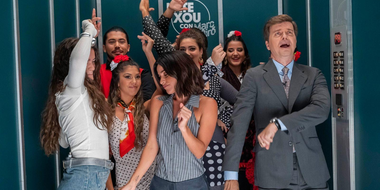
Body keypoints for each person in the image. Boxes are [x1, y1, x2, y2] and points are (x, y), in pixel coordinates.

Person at [223, 14, 330, 190]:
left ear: (295, 41)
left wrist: (278, 123)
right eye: (278, 33)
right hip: (271, 171)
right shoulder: (254, 77)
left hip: (312, 170)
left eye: (289, 33)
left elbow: (321, 110)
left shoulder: (313, 75)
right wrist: (231, 174)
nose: (285, 36)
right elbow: (239, 124)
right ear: (267, 44)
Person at [139, 1, 237, 188]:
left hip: (213, 148)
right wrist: (157, 13)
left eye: (192, 49)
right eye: (182, 49)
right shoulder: (177, 79)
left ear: (202, 52)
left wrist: (220, 117)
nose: (187, 53)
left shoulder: (215, 78)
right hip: (178, 159)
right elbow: (157, 41)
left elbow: (242, 103)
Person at [122, 51, 218, 190]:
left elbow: (199, 152)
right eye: (160, 76)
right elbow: (152, 146)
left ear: (181, 70)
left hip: (192, 184)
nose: (161, 81)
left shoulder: (207, 104)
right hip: (160, 182)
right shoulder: (158, 103)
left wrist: (185, 129)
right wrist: (133, 182)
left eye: (166, 75)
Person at [40, 17, 114, 190]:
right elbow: (77, 61)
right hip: (86, 174)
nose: (91, 66)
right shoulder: (71, 88)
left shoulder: (78, 94)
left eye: (93, 61)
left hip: (91, 174)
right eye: (87, 61)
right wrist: (88, 30)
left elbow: (64, 142)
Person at [106, 55, 158, 190]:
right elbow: (102, 157)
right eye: (128, 77)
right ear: (117, 81)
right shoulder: (106, 111)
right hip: (124, 183)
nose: (134, 81)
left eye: (137, 77)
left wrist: (148, 52)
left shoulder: (146, 107)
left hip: (153, 181)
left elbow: (162, 90)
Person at [221, 30, 257, 190]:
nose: (235, 54)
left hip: (254, 140)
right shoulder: (219, 77)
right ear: (225, 54)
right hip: (227, 138)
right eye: (230, 50)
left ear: (245, 53)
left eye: (239, 50)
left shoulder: (256, 75)